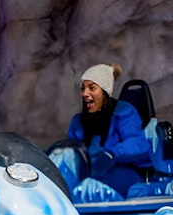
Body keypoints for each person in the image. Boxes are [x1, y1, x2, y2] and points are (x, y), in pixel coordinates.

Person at [51, 63, 153, 199]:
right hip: (91, 174)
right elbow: (73, 152)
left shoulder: (123, 112)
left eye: (92, 88)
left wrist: (111, 154)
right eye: (83, 89)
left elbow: (139, 144)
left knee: (88, 188)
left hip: (124, 173)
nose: (85, 94)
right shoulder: (78, 122)